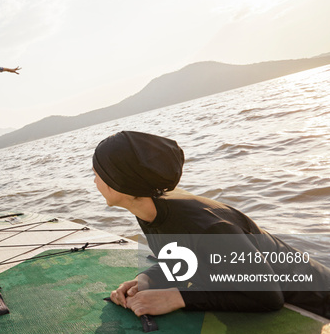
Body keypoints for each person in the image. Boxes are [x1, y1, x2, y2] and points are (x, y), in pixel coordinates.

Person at [90, 130, 330, 319]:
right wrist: (147, 279)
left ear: (119, 182)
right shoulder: (149, 210)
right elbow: (192, 258)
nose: (94, 180)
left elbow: (268, 297)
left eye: (97, 173)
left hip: (317, 301)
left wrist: (178, 298)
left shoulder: (207, 226)